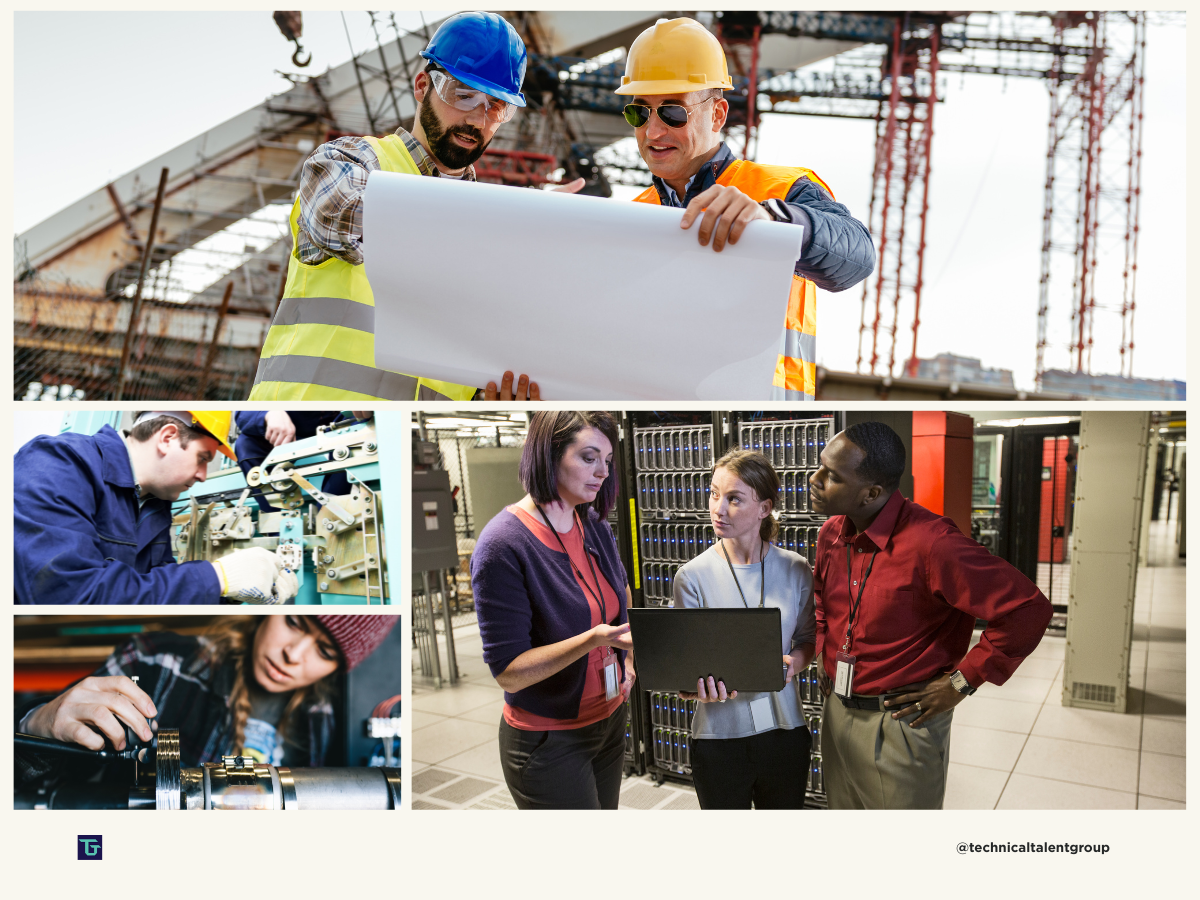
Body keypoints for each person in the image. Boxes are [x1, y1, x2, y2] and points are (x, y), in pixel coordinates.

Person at [248, 11, 566, 402]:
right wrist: (509, 224)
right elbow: (340, 216)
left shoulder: (493, 229)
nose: (475, 117)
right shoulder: (351, 161)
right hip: (308, 417)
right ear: (422, 86)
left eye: (496, 106)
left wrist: (488, 399)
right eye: (462, 94)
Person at [617, 17, 876, 400]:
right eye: (640, 113)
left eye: (673, 112)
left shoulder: (782, 190)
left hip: (770, 407)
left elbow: (858, 257)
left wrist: (774, 221)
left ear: (718, 115)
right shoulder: (633, 216)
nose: (653, 133)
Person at [808, 421, 1053, 809]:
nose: (814, 479)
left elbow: (1028, 610)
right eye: (821, 466)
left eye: (832, 476)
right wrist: (824, 650)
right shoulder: (832, 534)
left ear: (871, 493)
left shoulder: (934, 544)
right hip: (838, 711)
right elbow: (823, 598)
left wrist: (961, 682)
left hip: (901, 723)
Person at [15, 615, 399, 786]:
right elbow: (56, 779)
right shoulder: (156, 661)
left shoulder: (324, 719)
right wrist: (36, 728)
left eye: (325, 652)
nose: (294, 655)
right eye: (296, 622)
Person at [472, 411, 634, 809]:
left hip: (609, 721)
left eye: (607, 461)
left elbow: (621, 597)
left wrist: (626, 659)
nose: (601, 472)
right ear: (549, 455)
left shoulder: (593, 523)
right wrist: (593, 639)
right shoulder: (503, 545)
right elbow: (509, 674)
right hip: (549, 740)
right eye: (589, 457)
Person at [14, 411, 298, 605]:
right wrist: (217, 577)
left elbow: (155, 593)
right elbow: (68, 595)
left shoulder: (154, 504)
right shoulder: (59, 462)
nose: (202, 475)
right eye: (202, 458)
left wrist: (237, 592)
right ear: (167, 438)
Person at [671, 449, 815, 809]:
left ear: (764, 508)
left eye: (734, 499)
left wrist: (794, 663)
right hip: (719, 737)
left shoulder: (796, 569)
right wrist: (693, 686)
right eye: (714, 494)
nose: (718, 509)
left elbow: (808, 640)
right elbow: (686, 665)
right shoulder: (692, 576)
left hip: (784, 733)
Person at [234, 410, 370, 511]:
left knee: (359, 430)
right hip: (290, 433)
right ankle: (280, 530)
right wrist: (269, 413)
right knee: (245, 443)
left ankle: (330, 518)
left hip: (340, 424)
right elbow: (242, 413)